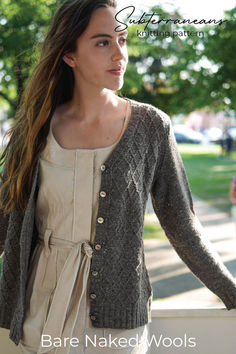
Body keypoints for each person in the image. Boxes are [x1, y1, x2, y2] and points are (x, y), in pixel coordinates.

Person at [1, 1, 236, 353]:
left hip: (117, 320)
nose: (119, 54)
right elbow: (5, 219)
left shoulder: (151, 126)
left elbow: (182, 223)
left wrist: (231, 291)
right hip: (40, 308)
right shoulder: (35, 129)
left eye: (122, 40)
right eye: (102, 42)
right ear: (69, 55)